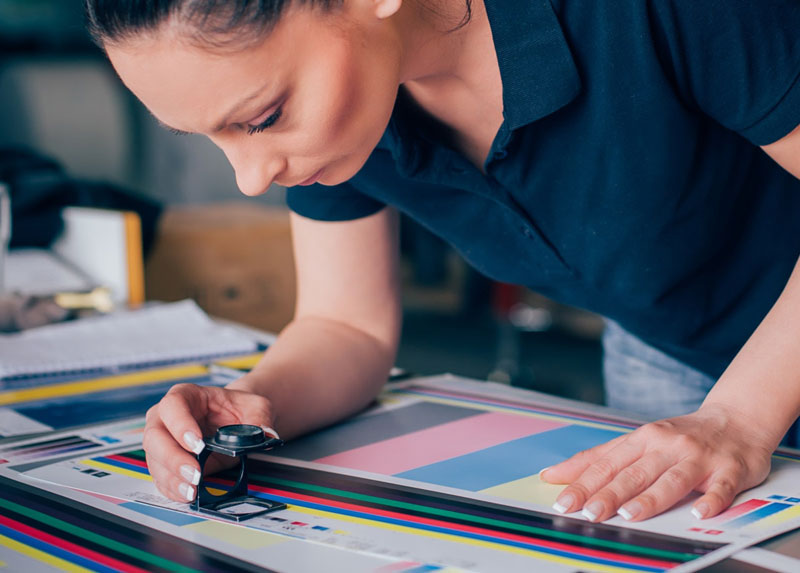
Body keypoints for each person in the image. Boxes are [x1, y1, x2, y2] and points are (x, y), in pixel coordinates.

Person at [85, 0, 800, 524]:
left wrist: (739, 417)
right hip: (673, 349)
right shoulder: (348, 120)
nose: (250, 175)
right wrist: (255, 400)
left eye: (264, 117)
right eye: (211, 135)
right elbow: (346, 325)